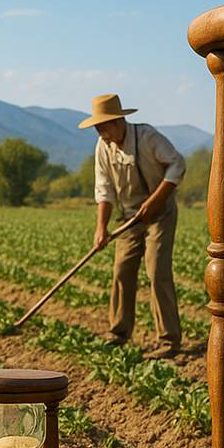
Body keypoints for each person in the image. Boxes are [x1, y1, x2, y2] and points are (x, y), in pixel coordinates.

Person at [79, 93, 185, 360]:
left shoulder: (147, 137)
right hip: (128, 217)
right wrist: (101, 228)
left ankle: (169, 340)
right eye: (97, 128)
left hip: (159, 213)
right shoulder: (103, 147)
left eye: (104, 126)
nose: (101, 132)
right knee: (122, 270)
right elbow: (104, 190)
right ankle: (118, 333)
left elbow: (177, 164)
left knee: (156, 270)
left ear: (118, 121)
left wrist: (156, 200)